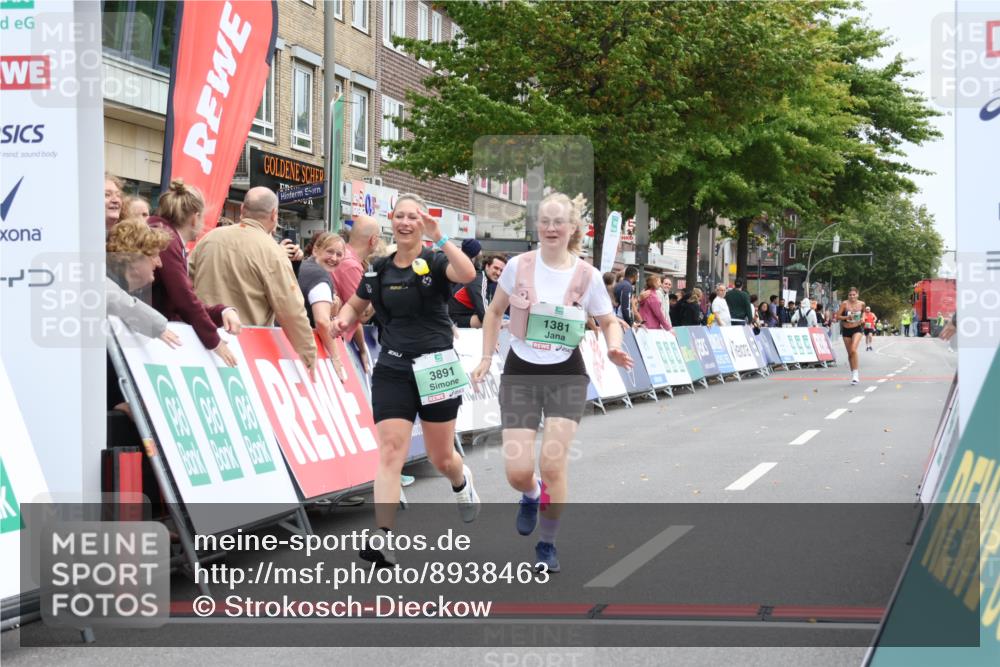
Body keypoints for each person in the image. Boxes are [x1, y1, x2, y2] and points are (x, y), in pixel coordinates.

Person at [471, 191, 632, 573]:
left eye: (559, 221)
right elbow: (494, 313)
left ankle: (547, 544)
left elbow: (608, 320)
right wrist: (485, 356)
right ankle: (529, 494)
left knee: (554, 465)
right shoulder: (518, 267)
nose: (550, 228)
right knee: (518, 471)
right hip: (521, 372)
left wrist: (612, 347)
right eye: (544, 220)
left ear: (573, 228)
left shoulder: (587, 275)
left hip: (566, 374)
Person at [332, 194, 479, 567]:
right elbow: (356, 304)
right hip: (393, 368)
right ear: (391, 221)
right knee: (391, 452)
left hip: (436, 368)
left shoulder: (435, 260)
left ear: (421, 223)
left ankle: (462, 483)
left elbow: (467, 275)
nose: (406, 222)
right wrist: (343, 320)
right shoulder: (378, 269)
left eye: (413, 217)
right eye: (400, 216)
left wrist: (441, 237)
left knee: (441, 457)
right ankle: (383, 538)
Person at [188, 186, 316, 374]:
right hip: (246, 349)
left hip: (200, 342)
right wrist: (309, 356)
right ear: (274, 214)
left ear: (242, 210)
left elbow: (186, 283)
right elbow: (291, 311)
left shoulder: (209, 239)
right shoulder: (272, 252)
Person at [147, 180, 241, 366]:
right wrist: (214, 341)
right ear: (194, 218)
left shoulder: (163, 233)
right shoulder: (168, 240)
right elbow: (184, 299)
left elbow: (185, 301)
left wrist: (221, 312)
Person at [106, 219, 183, 415]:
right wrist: (114, 403)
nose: (159, 263)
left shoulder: (128, 293)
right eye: (154, 256)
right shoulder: (105, 287)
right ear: (133, 260)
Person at [296, 232, 348, 380]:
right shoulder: (320, 277)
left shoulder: (303, 267)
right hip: (306, 350)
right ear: (315, 250)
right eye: (329, 251)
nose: (334, 258)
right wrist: (336, 358)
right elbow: (322, 322)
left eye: (339, 254)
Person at [333, 214, 381, 374]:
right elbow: (362, 314)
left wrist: (361, 349)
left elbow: (354, 316)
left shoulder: (347, 258)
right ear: (373, 240)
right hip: (336, 344)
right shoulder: (351, 265)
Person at [448, 238, 487, 328]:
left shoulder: (452, 265)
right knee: (493, 318)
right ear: (475, 256)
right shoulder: (474, 275)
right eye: (480, 252)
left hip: (443, 315)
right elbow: (482, 310)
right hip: (453, 320)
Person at [836, 287, 866, 385]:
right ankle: (853, 373)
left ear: (857, 295)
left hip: (857, 329)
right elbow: (837, 316)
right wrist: (846, 317)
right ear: (848, 295)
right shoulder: (844, 304)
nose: (852, 296)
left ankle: (856, 374)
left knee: (853, 350)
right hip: (846, 329)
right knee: (850, 354)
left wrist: (863, 319)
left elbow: (864, 313)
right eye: (850, 295)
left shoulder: (861, 304)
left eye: (854, 294)